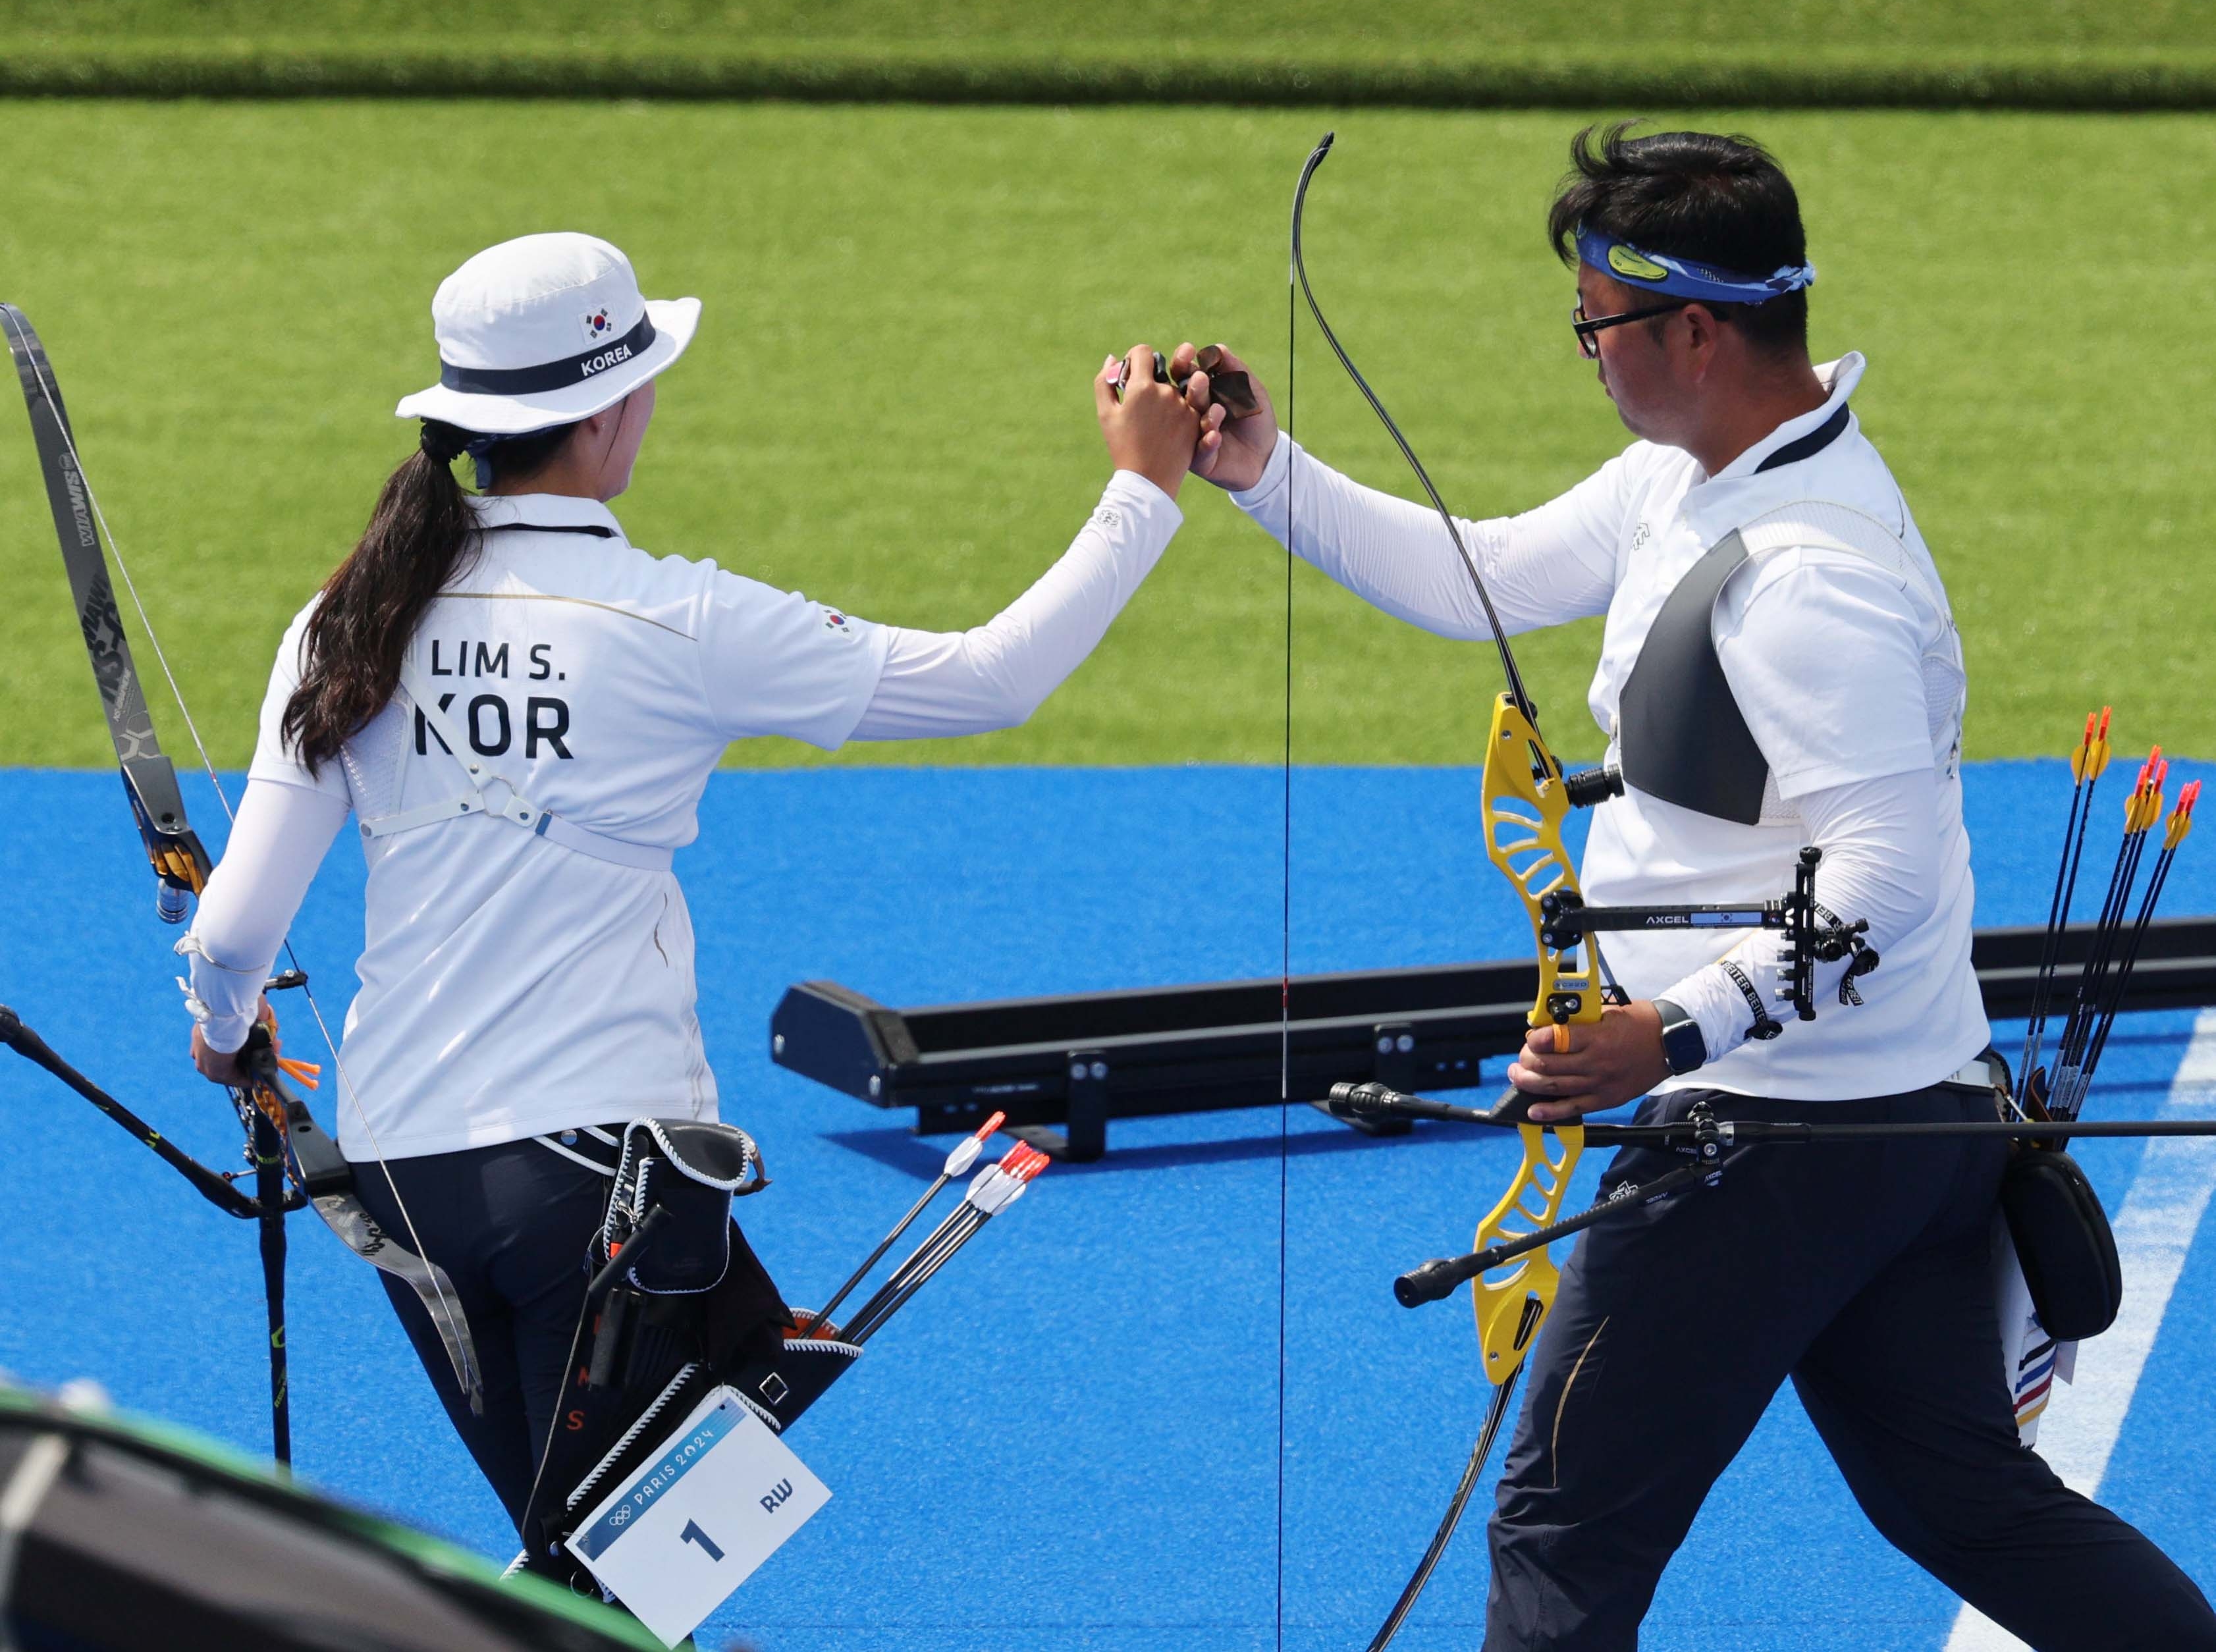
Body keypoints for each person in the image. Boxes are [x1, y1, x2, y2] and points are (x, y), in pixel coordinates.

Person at [1176, 125, 2216, 1649]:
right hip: (1903, 1124)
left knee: (1560, 1530)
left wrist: (1667, 1035)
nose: (1583, 352)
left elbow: (1895, 885)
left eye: (1595, 323)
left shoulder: (1810, 576)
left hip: (1778, 1144)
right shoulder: (1697, 474)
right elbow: (1489, 575)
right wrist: (1260, 468)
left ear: (1695, 329)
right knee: (1964, 1499)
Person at [180, 230, 1207, 1535]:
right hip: (601, 1177)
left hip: (404, 1179)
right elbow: (993, 676)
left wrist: (230, 1037)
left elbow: (230, 942)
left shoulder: (348, 619)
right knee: (637, 1562)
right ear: (607, 412)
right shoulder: (679, 619)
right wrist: (1143, 489)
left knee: (604, 1564)